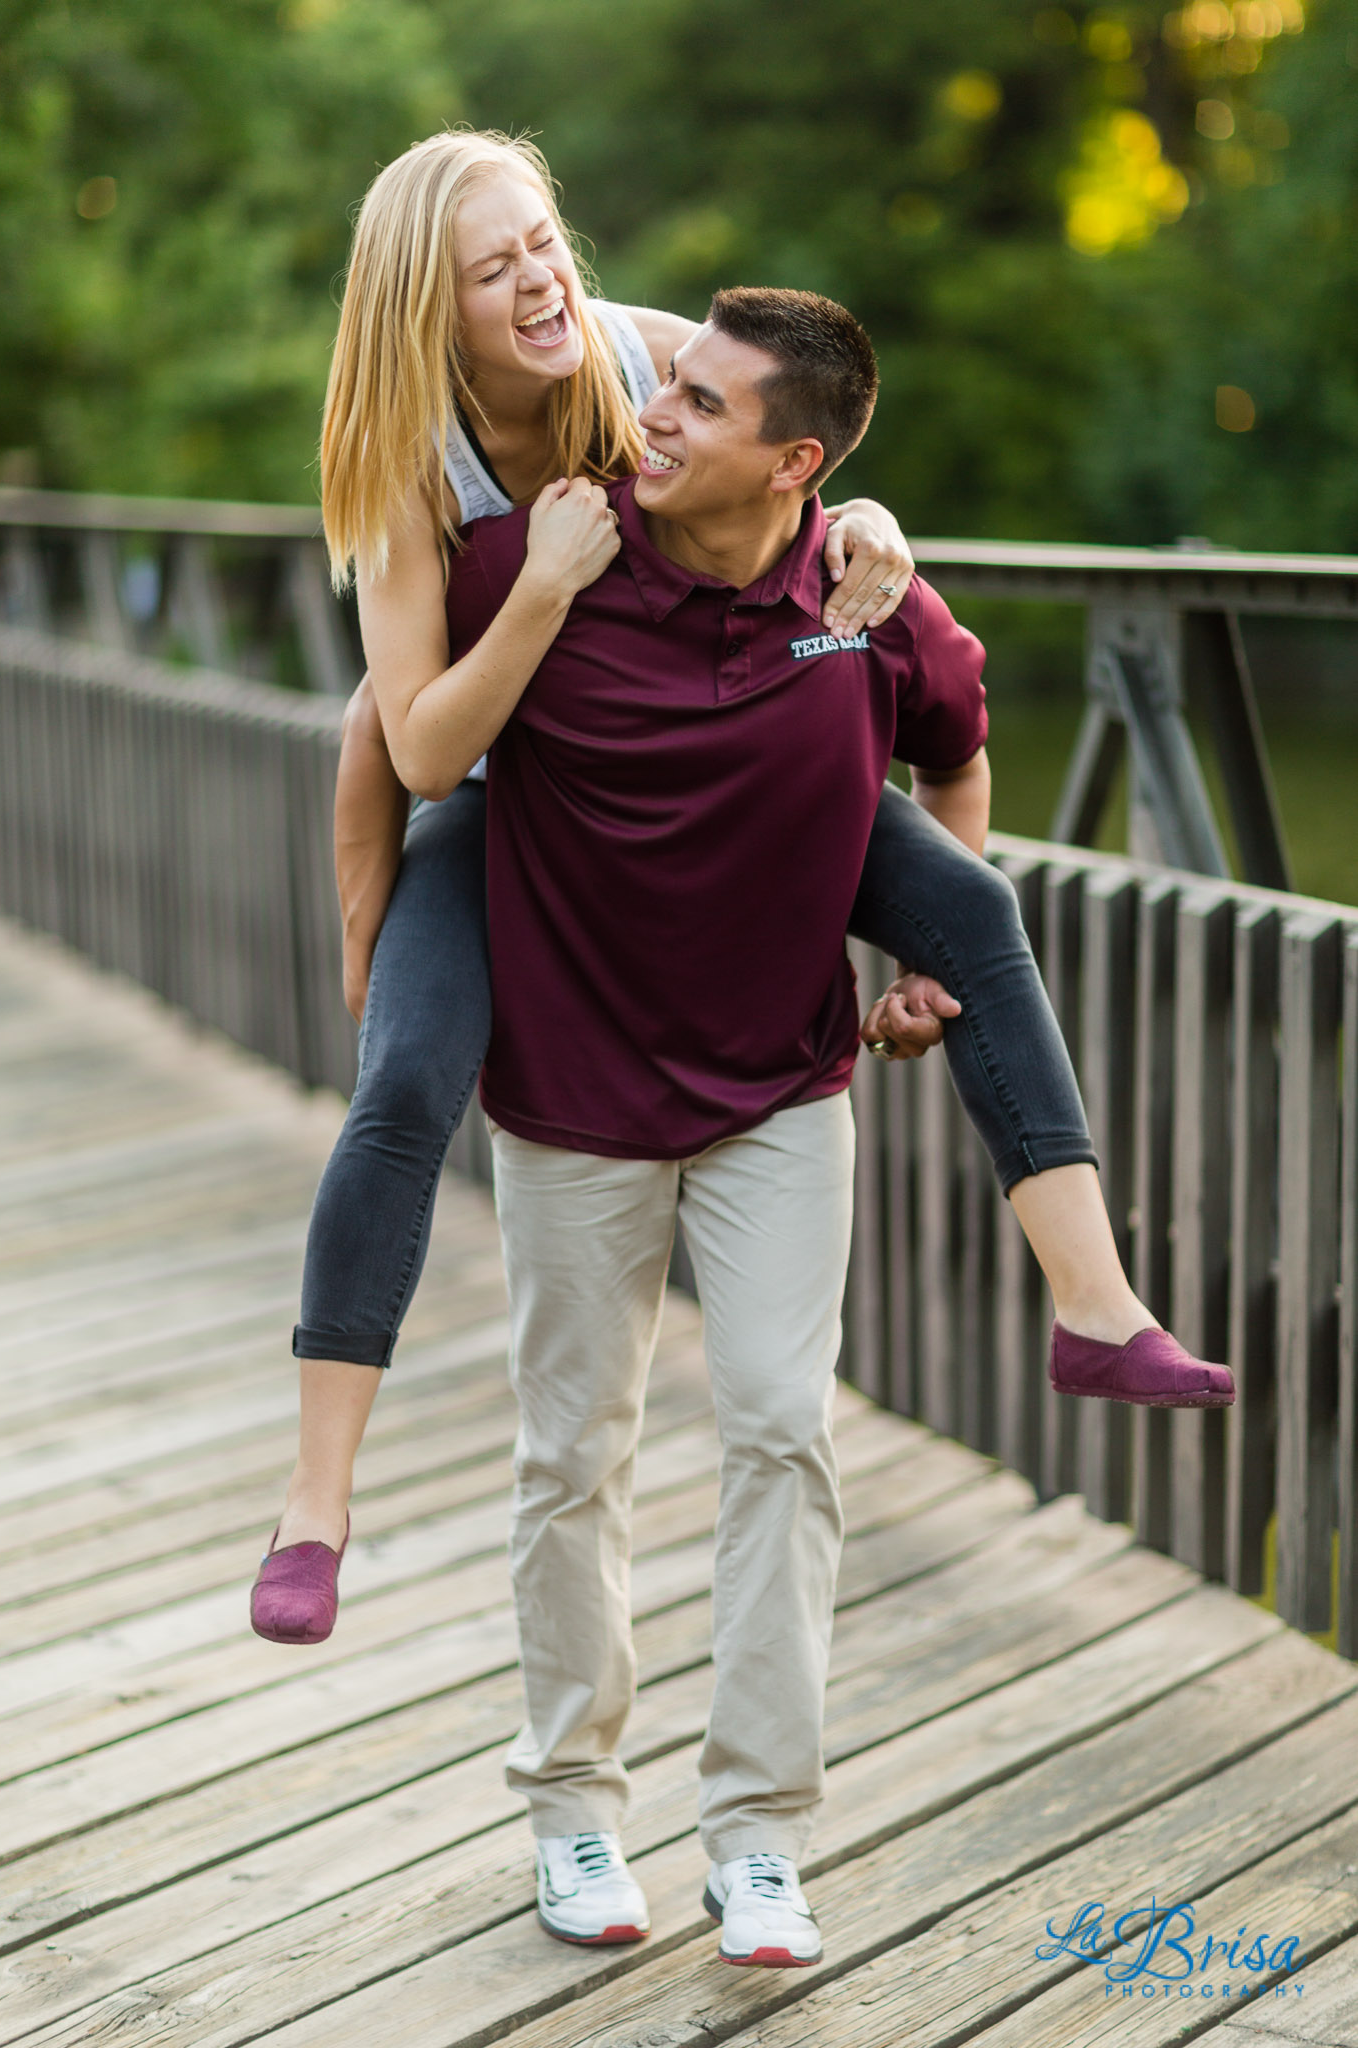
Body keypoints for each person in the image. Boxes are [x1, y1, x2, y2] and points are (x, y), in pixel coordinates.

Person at [250, 131, 1231, 1662]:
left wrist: (878, 526)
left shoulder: (638, 356)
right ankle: (315, 1505)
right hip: (507, 784)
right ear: (419, 309)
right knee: (403, 1085)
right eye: (491, 267)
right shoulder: (401, 460)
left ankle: (1096, 1311)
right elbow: (419, 746)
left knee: (972, 909)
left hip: (699, 756)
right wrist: (547, 588)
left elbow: (794, 471)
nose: (540, 283)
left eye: (542, 242)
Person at [363, 287, 1231, 1965]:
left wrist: (927, 972)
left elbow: (954, 754)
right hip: (573, 1093)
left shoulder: (865, 591)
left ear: (797, 463)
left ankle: (757, 1837)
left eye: (698, 402)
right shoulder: (537, 561)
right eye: (663, 382)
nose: (652, 414)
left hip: (779, 1093)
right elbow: (415, 750)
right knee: (575, 1457)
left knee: (781, 1435)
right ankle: (571, 1812)